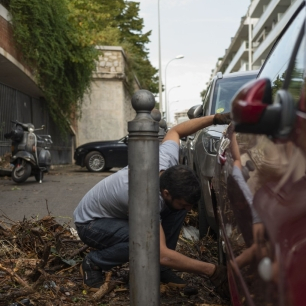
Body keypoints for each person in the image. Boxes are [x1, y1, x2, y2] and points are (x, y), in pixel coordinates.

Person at [73, 112, 230, 296]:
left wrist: (214, 119)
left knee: (177, 209)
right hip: (91, 224)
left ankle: (161, 270)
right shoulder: (144, 198)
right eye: (184, 203)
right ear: (165, 193)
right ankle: (94, 262)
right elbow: (160, 252)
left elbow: (176, 131)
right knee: (144, 241)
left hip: (118, 214)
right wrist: (212, 270)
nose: (190, 210)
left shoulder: (167, 160)